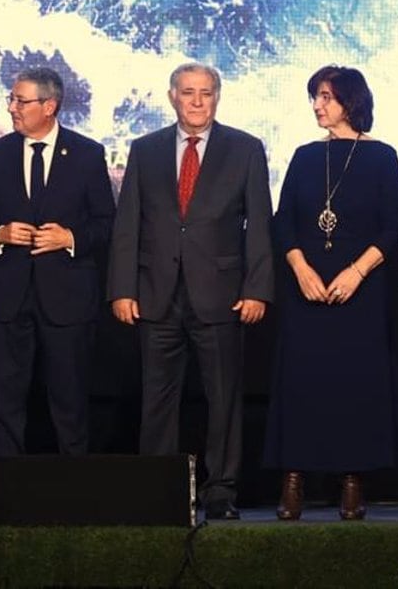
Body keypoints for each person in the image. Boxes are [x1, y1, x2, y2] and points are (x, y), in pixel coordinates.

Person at [107, 61, 273, 521]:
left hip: (221, 295)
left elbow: (259, 225)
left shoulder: (245, 149)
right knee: (157, 399)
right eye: (188, 93)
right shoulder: (146, 149)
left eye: (206, 93)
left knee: (223, 399)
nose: (197, 101)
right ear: (172, 97)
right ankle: (160, 487)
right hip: (156, 294)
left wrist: (257, 288)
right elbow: (127, 225)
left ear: (217, 97)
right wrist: (122, 288)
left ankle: (221, 491)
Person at [264, 65, 398, 521]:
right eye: (314, 97)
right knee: (301, 383)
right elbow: (283, 221)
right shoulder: (306, 156)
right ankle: (293, 481)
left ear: (351, 101)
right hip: (306, 287)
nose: (317, 105)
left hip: (359, 290)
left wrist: (357, 272)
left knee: (355, 385)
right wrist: (300, 267)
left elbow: (393, 225)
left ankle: (352, 481)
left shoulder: (382, 156)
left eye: (326, 96)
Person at [0, 65, 114, 455]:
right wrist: (0, 234)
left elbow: (107, 223)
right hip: (8, 298)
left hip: (67, 297)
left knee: (70, 401)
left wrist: (71, 238)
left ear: (49, 106)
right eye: (11, 99)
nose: (12, 107)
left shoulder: (86, 154)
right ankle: (4, 492)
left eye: (21, 100)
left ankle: (71, 492)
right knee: (5, 403)